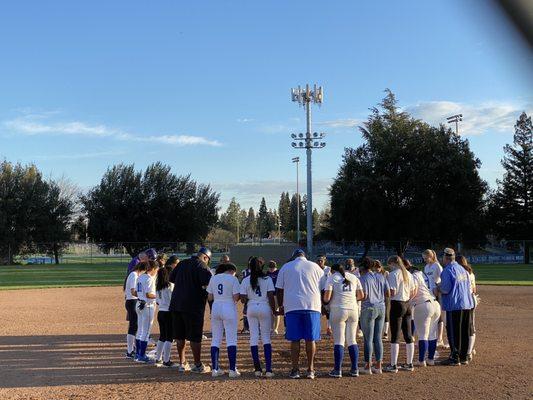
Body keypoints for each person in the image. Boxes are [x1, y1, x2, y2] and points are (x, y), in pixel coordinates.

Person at [276, 249, 324, 379]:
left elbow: (279, 289)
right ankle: (310, 369)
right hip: (312, 306)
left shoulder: (286, 267)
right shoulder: (316, 267)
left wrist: (280, 306)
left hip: (292, 306)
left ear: (294, 257)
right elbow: (323, 287)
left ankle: (295, 369)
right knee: (310, 338)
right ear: (305, 256)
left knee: (295, 339)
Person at [169, 247, 213, 373]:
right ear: (205, 257)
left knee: (179, 335)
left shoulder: (182, 263)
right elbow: (208, 283)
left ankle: (182, 363)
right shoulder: (202, 266)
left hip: (176, 304)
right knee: (195, 336)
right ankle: (198, 365)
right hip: (193, 306)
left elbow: (172, 278)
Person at [323, 263, 364, 378]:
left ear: (333, 270)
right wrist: (350, 299)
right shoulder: (353, 277)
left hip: (338, 310)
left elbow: (326, 298)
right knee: (352, 340)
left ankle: (337, 370)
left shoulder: (332, 277)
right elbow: (361, 295)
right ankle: (354, 369)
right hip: (353, 309)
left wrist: (326, 303)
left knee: (339, 341)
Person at [240, 257, 277, 377]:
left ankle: (257, 369)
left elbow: (243, 299)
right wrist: (274, 310)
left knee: (254, 337)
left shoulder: (246, 280)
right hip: (264, 307)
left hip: (251, 308)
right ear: (262, 267)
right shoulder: (267, 279)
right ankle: (269, 370)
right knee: (266, 338)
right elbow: (271, 296)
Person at [438, 248, 475, 366]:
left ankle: (455, 356)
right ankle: (464, 356)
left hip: (454, 304)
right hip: (467, 304)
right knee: (464, 330)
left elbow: (446, 289)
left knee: (454, 331)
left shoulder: (447, 270)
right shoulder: (463, 269)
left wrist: (438, 287)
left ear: (445, 258)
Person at [207, 263, 241, 378]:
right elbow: (236, 297)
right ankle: (232, 370)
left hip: (216, 307)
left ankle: (215, 369)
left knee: (215, 339)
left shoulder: (213, 277)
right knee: (231, 339)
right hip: (229, 307)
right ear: (231, 270)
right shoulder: (233, 278)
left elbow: (209, 297)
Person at [384, 255, 416, 373]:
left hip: (397, 303)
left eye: (390, 265)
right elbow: (413, 290)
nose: (390, 267)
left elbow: (392, 292)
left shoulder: (393, 275)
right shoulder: (408, 274)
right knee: (408, 335)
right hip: (407, 303)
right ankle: (409, 363)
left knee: (395, 335)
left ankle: (393, 364)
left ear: (393, 263)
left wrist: (385, 294)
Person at [359, 258, 390, 375]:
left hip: (368, 308)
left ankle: (368, 365)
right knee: (378, 338)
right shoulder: (381, 276)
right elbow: (388, 293)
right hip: (381, 307)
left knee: (368, 338)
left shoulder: (363, 278)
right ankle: (378, 365)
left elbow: (364, 295)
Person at [410, 263, 441, 367]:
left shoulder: (412, 276)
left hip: (423, 304)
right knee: (432, 334)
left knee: (423, 335)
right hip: (435, 303)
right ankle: (430, 359)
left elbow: (412, 292)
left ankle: (421, 360)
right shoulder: (423, 275)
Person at [134, 260, 159, 363]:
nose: (156, 272)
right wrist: (159, 296)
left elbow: (135, 292)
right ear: (153, 269)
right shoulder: (149, 278)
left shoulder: (140, 277)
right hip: (147, 305)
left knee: (140, 330)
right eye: (156, 270)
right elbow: (149, 295)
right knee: (146, 331)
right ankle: (142, 355)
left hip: (139, 304)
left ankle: (137, 354)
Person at [423, 249, 446, 348]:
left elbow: (443, 279)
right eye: (424, 258)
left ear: (431, 256)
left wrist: (438, 288)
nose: (425, 260)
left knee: (439, 315)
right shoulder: (426, 267)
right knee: (432, 315)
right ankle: (433, 336)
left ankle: (440, 338)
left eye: (426, 258)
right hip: (430, 294)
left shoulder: (437, 266)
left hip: (438, 293)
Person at [456, 255, 477, 361]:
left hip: (465, 301)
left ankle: (467, 352)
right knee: (470, 326)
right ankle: (469, 350)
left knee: (467, 327)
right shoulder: (470, 272)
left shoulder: (460, 273)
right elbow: (474, 289)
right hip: (471, 299)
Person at [154, 265, 175, 367]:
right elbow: (173, 301)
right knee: (169, 337)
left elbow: (157, 301)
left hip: (160, 312)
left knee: (162, 336)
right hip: (169, 312)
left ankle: (158, 358)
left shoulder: (158, 287)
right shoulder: (170, 285)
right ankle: (166, 360)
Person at [124, 262, 146, 358]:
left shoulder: (134, 274)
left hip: (132, 301)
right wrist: (143, 296)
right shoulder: (134, 275)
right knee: (134, 326)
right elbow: (133, 291)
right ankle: (130, 351)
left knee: (135, 325)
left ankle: (131, 350)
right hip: (132, 301)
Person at [373, 260, 391, 340]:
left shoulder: (386, 273)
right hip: (377, 297)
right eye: (376, 267)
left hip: (385, 296)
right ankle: (378, 332)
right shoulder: (373, 275)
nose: (377, 269)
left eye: (379, 267)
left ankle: (385, 332)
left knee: (386, 314)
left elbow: (388, 286)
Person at [317, 255, 332, 336]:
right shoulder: (315, 269)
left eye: (321, 260)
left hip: (326, 291)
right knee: (318, 310)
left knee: (328, 311)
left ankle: (328, 328)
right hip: (317, 291)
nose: (320, 262)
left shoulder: (328, 269)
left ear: (324, 261)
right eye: (318, 260)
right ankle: (318, 329)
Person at [266, 260, 281, 334]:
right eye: (270, 267)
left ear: (275, 267)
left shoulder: (279, 273)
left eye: (273, 267)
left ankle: (275, 328)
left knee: (276, 311)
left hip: (276, 294)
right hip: (269, 295)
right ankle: (271, 328)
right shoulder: (267, 274)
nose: (272, 269)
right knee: (270, 312)